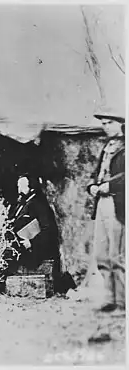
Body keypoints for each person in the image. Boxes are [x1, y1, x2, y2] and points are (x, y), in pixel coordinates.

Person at [87, 110, 125, 312]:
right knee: (101, 254)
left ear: (121, 123)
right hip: (101, 202)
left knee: (116, 254)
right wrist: (92, 186)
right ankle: (110, 299)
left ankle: (123, 301)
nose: (106, 127)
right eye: (103, 123)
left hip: (118, 202)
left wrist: (110, 185)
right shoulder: (107, 147)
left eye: (110, 122)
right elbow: (96, 174)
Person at [9, 174, 68, 293]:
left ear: (31, 187)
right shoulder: (22, 203)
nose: (19, 189)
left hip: (36, 249)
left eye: (22, 186)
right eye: (18, 185)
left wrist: (31, 243)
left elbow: (49, 230)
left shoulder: (39, 204)